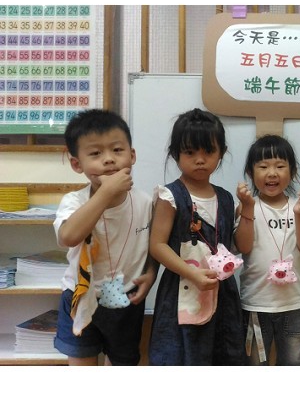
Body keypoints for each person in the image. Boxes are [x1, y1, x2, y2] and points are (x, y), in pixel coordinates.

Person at [53, 108, 156, 366]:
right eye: (96, 154)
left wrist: (152, 273)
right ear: (77, 164)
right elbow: (69, 236)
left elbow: (155, 245)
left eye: (117, 150)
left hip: (127, 298)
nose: (109, 159)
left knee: (122, 363)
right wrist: (105, 193)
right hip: (80, 296)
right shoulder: (74, 201)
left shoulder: (146, 202)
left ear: (132, 155)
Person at [147, 108, 244, 365]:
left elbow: (234, 246)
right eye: (190, 152)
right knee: (181, 356)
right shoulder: (170, 196)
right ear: (175, 154)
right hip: (182, 291)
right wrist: (192, 273)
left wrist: (248, 211)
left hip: (222, 294)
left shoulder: (226, 198)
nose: (200, 160)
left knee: (222, 357)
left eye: (208, 152)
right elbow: (157, 245)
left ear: (221, 153)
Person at [234, 134, 300, 366]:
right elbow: (242, 246)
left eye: (280, 166)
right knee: (254, 365)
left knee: (292, 364)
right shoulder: (246, 206)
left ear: (292, 172)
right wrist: (247, 208)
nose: (272, 173)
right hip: (255, 304)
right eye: (263, 166)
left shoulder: (299, 207)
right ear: (251, 172)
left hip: (294, 305)